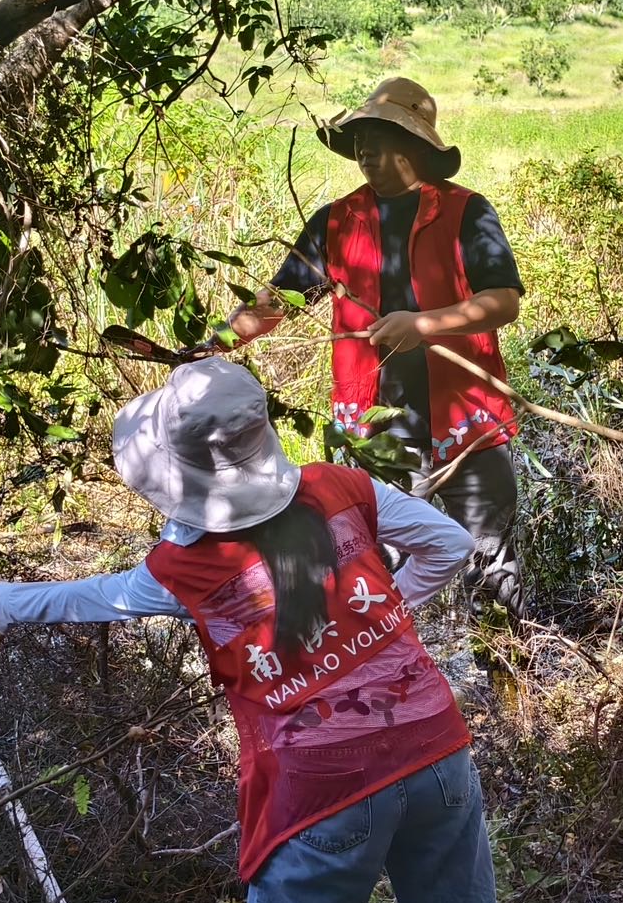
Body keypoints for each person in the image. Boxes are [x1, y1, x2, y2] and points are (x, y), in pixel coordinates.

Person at [0, 358, 521, 903]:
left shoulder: (182, 568)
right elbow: (449, 542)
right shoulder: (342, 487)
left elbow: (97, 597)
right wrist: (380, 619)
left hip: (322, 791)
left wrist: (5, 603)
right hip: (436, 750)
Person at [226, 77, 527, 620]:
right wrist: (216, 341)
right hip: (377, 430)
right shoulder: (335, 221)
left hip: (467, 425)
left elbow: (504, 301)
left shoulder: (467, 212)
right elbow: (282, 301)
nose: (364, 149)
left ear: (415, 146)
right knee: (372, 563)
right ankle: (388, 678)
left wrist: (426, 324)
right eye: (359, 137)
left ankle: (504, 682)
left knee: (491, 564)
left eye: (378, 136)